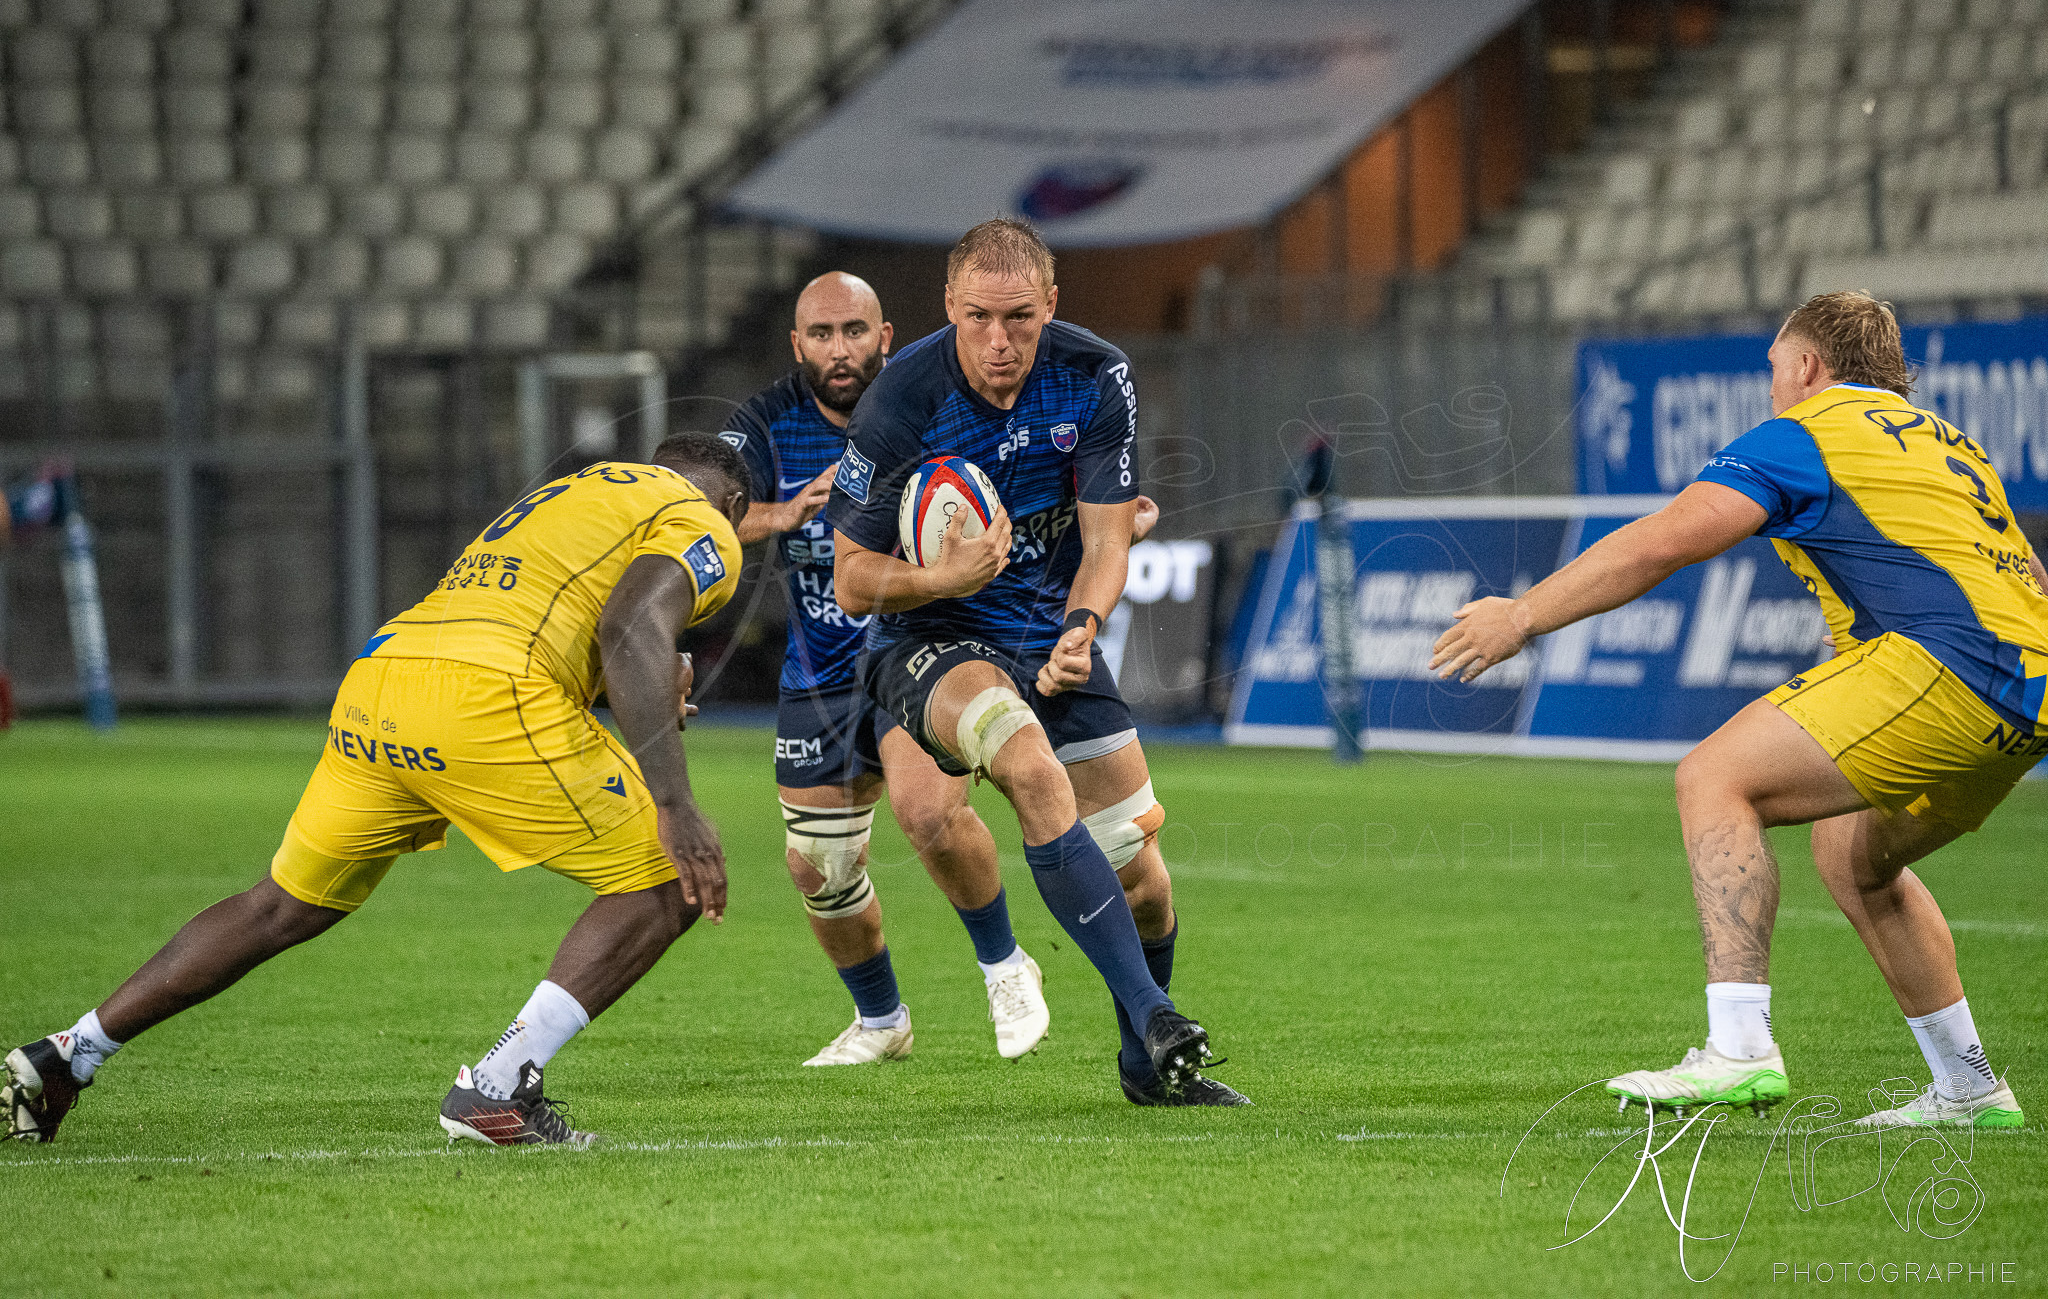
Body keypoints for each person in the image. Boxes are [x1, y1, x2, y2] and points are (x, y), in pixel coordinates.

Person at [4, 433, 751, 1147]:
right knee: (669, 875)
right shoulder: (703, 522)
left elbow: (584, 625)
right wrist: (676, 803)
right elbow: (629, 624)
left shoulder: (576, 490)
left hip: (383, 679)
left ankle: (71, 1051)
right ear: (735, 502)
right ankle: (498, 1085)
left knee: (281, 904)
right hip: (485, 696)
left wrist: (655, 670)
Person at [1431, 291, 2032, 1128]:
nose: (1772, 388)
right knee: (1855, 857)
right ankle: (1970, 1087)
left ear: (1808, 365)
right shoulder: (1949, 446)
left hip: (1948, 666)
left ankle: (1740, 1048)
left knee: (1713, 777)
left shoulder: (1805, 435)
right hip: (2024, 696)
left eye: (1775, 369)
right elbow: (2024, 579)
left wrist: (1522, 615)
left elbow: (1665, 540)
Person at [829, 218, 1246, 1106]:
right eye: (978, 316)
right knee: (1023, 760)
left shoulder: (1095, 376)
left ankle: (1145, 1069)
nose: (998, 339)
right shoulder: (901, 399)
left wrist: (1083, 626)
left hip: (1046, 632)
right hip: (930, 639)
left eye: (1020, 317)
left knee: (1144, 879)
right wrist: (942, 574)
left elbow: (1107, 537)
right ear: (949, 306)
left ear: (1051, 304)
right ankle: (1155, 1014)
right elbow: (853, 580)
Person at [722, 271, 1052, 1065]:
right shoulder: (767, 422)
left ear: (888, 336)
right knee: (819, 868)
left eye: (856, 331)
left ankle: (1004, 965)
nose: (841, 350)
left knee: (930, 814)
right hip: (816, 678)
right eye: (823, 335)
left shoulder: (924, 407)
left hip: (910, 652)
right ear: (797, 343)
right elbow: (710, 512)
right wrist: (795, 509)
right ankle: (881, 1020)